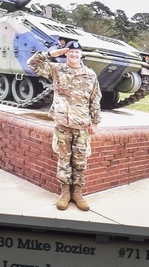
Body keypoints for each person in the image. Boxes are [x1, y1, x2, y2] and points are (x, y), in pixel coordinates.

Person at [26, 35, 101, 212]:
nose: (74, 54)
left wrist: (95, 122)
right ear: (66, 54)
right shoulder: (57, 69)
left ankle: (78, 193)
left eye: (77, 52)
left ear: (81, 54)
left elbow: (95, 99)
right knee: (63, 159)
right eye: (70, 52)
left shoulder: (90, 75)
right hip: (62, 124)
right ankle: (65, 193)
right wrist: (51, 53)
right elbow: (32, 64)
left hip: (82, 125)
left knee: (80, 161)